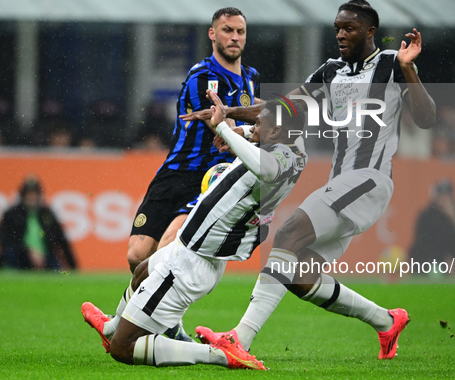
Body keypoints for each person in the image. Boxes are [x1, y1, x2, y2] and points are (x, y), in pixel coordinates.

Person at [187, 0, 436, 360]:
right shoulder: (331, 71)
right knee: (299, 275)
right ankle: (386, 322)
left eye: (349, 28)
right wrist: (231, 117)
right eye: (337, 27)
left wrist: (409, 69)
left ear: (369, 32)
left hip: (369, 179)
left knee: (288, 233)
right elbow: (285, 107)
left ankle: (240, 339)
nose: (340, 34)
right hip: (341, 183)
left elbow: (426, 118)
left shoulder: (389, 64)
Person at [81, 92, 307, 370]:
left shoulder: (274, 162)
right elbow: (264, 135)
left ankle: (222, 355)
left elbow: (263, 166)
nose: (252, 129)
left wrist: (223, 126)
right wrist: (243, 129)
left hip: (190, 263)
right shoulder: (292, 147)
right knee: (142, 271)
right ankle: (111, 328)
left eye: (258, 125)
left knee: (124, 349)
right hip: (190, 249)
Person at [127, 7, 259, 273]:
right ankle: (150, 311)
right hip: (176, 172)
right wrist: (252, 126)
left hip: (211, 178)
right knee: (137, 256)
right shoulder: (203, 76)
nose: (235, 37)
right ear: (212, 34)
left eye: (240, 32)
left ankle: (135, 315)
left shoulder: (250, 78)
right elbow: (221, 125)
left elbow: (257, 116)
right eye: (227, 30)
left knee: (166, 252)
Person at [0, 176, 77, 270]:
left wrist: (74, 267)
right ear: (23, 196)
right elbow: (6, 240)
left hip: (45, 257)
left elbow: (62, 241)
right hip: (18, 257)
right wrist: (28, 252)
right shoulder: (12, 215)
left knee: (57, 269)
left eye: (34, 194)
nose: (31, 198)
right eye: (28, 194)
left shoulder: (47, 214)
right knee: (10, 254)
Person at [409, 179, 455, 269]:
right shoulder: (426, 216)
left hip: (454, 258)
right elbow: (424, 244)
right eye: (441, 196)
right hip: (433, 258)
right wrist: (444, 258)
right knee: (434, 267)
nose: (444, 200)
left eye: (447, 196)